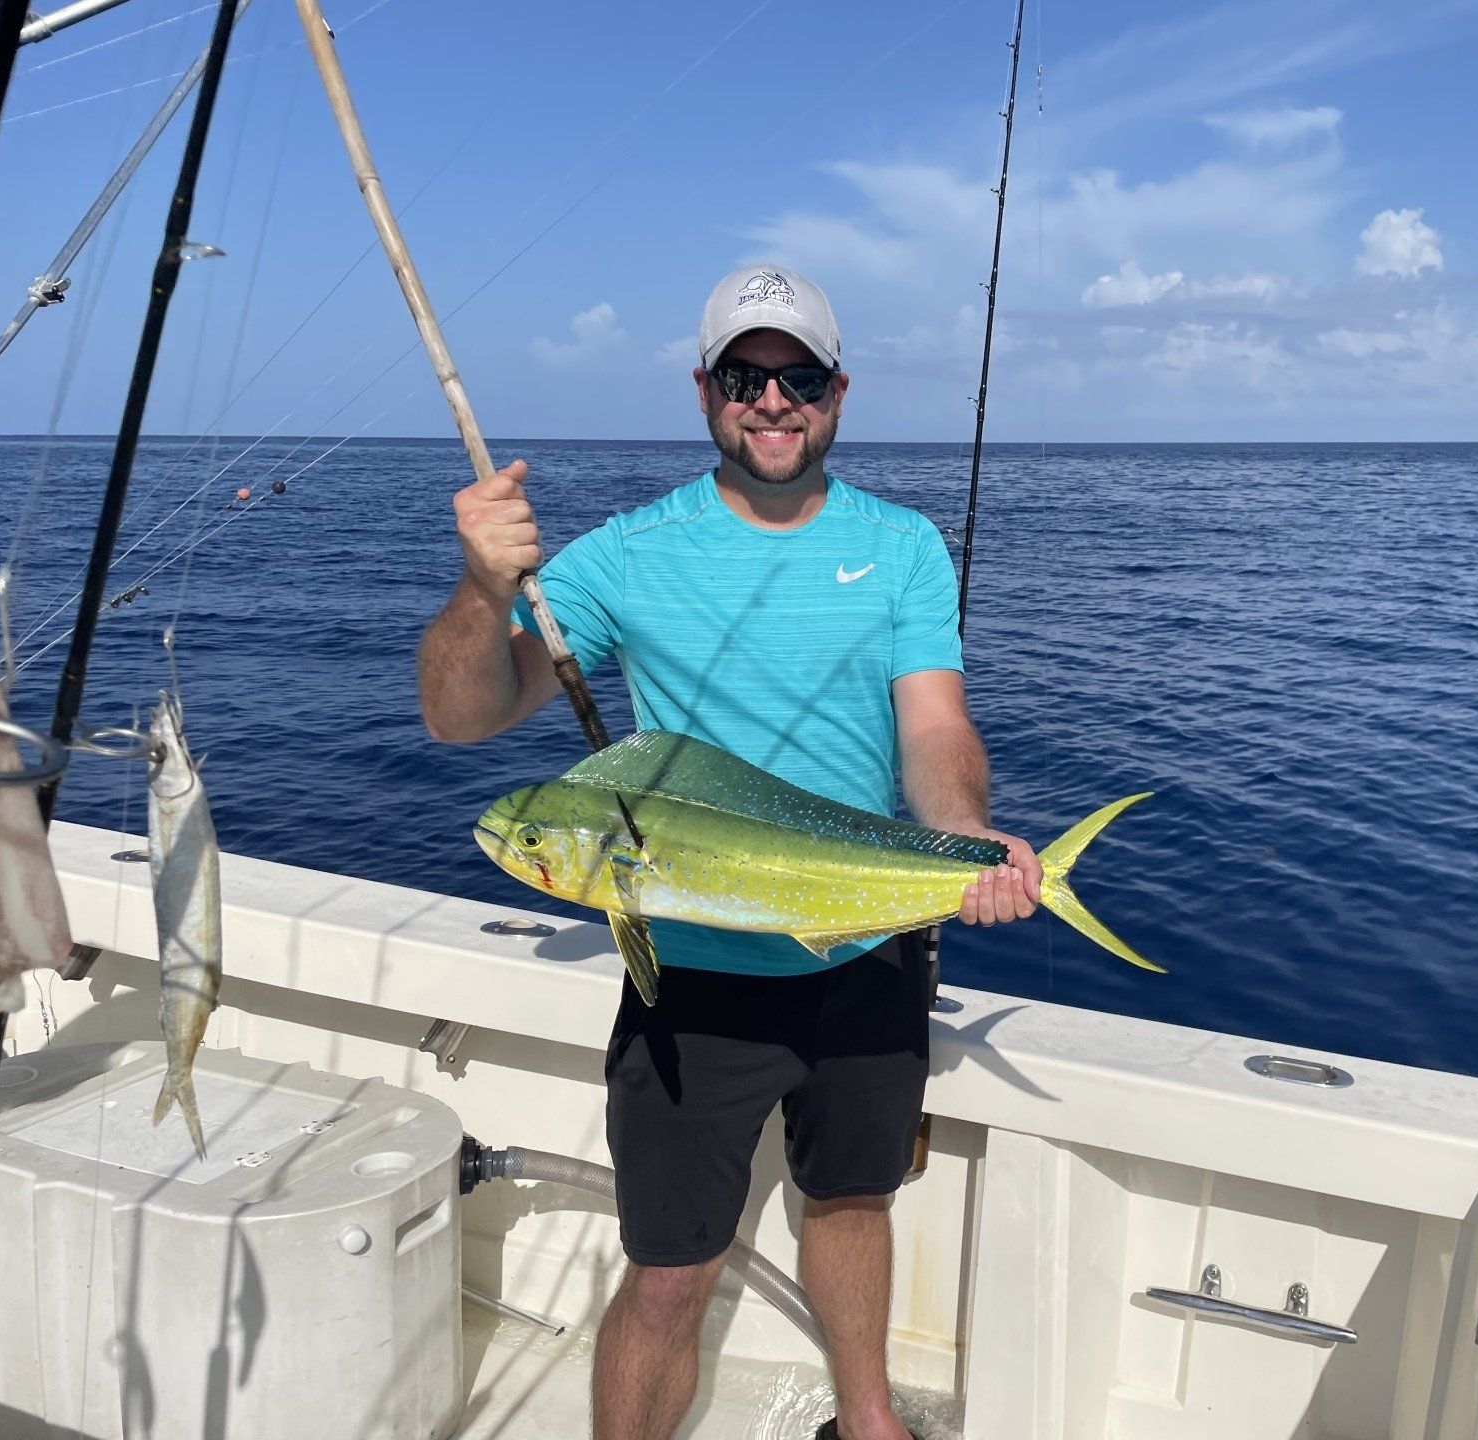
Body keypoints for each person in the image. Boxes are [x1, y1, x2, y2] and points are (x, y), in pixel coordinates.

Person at [417, 263, 1041, 1440]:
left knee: (853, 1204)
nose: (772, 400)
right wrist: (478, 583)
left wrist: (963, 843)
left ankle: (868, 1422)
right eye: (747, 376)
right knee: (667, 1270)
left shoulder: (902, 548)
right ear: (705, 390)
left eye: (797, 375)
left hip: (868, 950)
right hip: (693, 978)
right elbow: (460, 714)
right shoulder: (626, 554)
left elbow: (936, 724)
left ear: (837, 392)